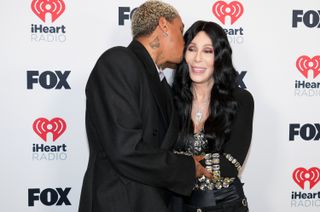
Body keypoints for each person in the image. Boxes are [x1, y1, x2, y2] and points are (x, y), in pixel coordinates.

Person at [78, 1, 212, 212]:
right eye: (180, 29)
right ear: (163, 26)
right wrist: (186, 167)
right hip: (121, 202)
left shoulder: (162, 85)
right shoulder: (118, 61)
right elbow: (125, 149)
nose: (184, 40)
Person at [172, 21, 254, 212]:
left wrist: (177, 162)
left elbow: (231, 164)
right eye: (192, 49)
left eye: (207, 51)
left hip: (226, 205)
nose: (197, 58)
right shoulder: (171, 99)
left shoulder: (240, 100)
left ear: (220, 56)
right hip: (179, 204)